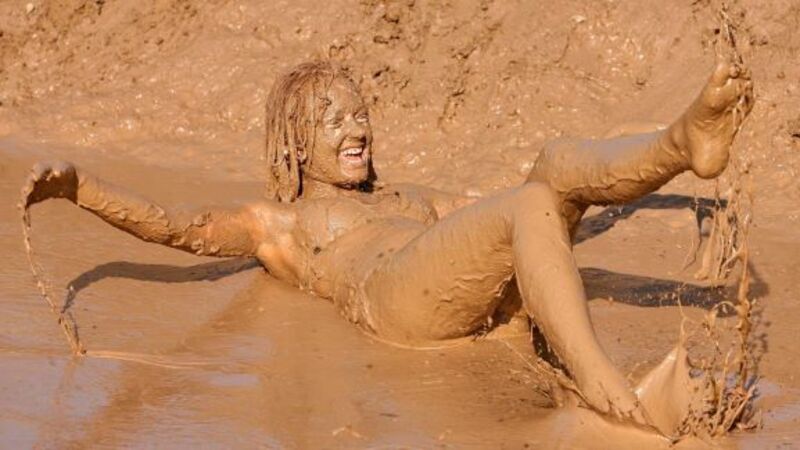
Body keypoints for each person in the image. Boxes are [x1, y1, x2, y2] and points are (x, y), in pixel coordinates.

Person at [21, 58, 752, 428]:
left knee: (554, 164)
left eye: (361, 114)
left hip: (445, 289)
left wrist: (626, 193)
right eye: (333, 119)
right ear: (296, 144)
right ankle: (609, 394)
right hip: (389, 303)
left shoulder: (411, 197)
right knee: (532, 199)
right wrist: (83, 188)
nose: (356, 129)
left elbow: (540, 214)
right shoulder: (280, 223)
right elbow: (178, 227)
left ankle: (680, 144)